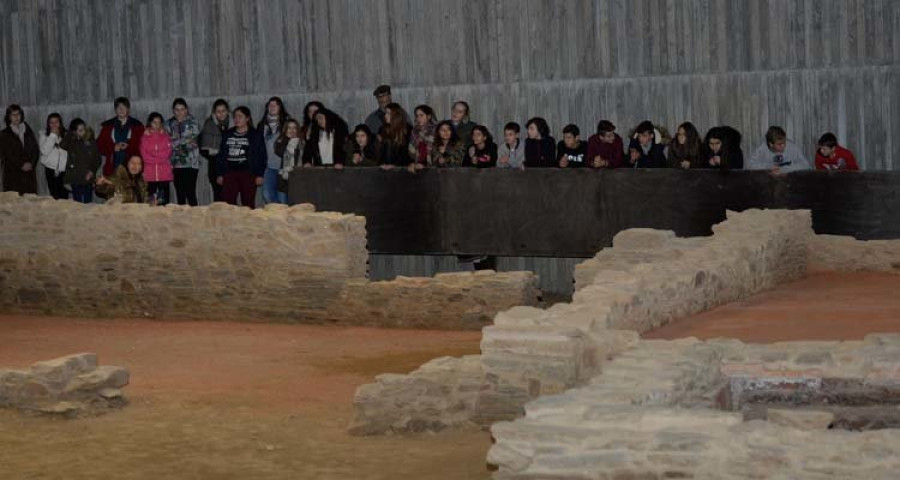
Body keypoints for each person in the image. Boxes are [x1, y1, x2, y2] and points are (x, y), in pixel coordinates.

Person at [216, 106, 266, 208]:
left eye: (240, 116)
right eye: (235, 117)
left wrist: (260, 174)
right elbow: (221, 155)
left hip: (248, 173)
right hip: (229, 173)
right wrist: (220, 174)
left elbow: (262, 156)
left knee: (248, 205)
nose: (237, 119)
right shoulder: (227, 134)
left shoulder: (256, 135)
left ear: (247, 118)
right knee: (228, 204)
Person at [165, 98, 201, 206]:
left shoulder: (193, 123)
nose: (180, 112)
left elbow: (192, 141)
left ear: (186, 110)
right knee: (180, 195)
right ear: (173, 111)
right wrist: (183, 141)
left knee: (191, 193)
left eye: (182, 109)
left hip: (191, 163)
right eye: (177, 110)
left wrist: (175, 142)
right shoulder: (168, 124)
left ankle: (195, 219)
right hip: (176, 164)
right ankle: (181, 220)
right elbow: (167, 142)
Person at [97, 97, 144, 177]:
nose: (121, 110)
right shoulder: (107, 126)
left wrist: (129, 147)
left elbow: (143, 146)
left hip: (132, 166)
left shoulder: (138, 126)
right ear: (115, 110)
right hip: (112, 166)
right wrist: (113, 147)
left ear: (128, 109)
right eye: (119, 107)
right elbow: (99, 146)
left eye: (124, 107)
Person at [0, 105, 40, 194]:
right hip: (13, 176)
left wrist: (31, 163)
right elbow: (7, 155)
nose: (16, 117)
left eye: (18, 114)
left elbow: (35, 149)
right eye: (13, 115)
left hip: (29, 175)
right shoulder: (4, 134)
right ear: (8, 117)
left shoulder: (28, 130)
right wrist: (21, 165)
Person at [257, 97, 290, 205]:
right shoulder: (261, 125)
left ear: (280, 107)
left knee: (283, 197)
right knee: (267, 194)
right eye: (270, 105)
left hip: (283, 166)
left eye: (275, 105)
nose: (272, 107)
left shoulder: (287, 123)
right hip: (268, 166)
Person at [61, 119, 101, 204]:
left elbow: (97, 159)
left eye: (84, 129)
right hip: (75, 178)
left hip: (88, 178)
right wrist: (69, 134)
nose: (83, 132)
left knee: (88, 203)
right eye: (80, 130)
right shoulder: (71, 142)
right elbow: (62, 145)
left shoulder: (91, 142)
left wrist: (92, 171)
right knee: (77, 204)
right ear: (75, 132)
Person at [199, 99, 230, 202]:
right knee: (218, 197)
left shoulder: (233, 124)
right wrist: (218, 155)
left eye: (223, 111)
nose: (221, 114)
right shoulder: (208, 125)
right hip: (215, 166)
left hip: (232, 166)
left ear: (227, 111)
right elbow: (203, 149)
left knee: (230, 197)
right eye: (218, 111)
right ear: (214, 112)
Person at [140, 112, 173, 206]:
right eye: (154, 122)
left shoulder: (166, 137)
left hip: (164, 174)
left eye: (159, 122)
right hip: (150, 175)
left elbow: (167, 154)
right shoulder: (144, 138)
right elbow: (145, 156)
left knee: (164, 202)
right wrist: (158, 157)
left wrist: (154, 156)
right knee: (151, 203)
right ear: (150, 123)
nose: (157, 125)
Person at [39, 113, 69, 199]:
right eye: (51, 122)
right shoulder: (44, 135)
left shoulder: (66, 135)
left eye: (56, 122)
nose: (54, 124)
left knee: (64, 195)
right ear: (48, 124)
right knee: (54, 195)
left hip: (64, 170)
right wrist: (52, 136)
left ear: (60, 123)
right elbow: (44, 151)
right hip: (51, 170)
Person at [273, 119, 303, 197]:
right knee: (282, 201)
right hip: (284, 175)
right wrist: (287, 140)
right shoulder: (281, 141)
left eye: (294, 128)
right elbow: (279, 152)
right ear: (285, 129)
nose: (292, 130)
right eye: (289, 128)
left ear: (297, 129)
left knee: (296, 200)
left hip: (299, 175)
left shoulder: (302, 142)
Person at [379, 103, 413, 169]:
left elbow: (407, 154)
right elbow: (382, 153)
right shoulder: (383, 129)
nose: (385, 116)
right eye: (385, 113)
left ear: (395, 115)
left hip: (403, 169)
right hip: (386, 169)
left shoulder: (408, 130)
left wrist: (395, 165)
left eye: (388, 113)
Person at [408, 105, 436, 170]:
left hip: (432, 166)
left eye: (421, 115)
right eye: (417, 116)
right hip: (417, 164)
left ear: (428, 116)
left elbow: (435, 151)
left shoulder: (435, 130)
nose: (418, 118)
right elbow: (411, 150)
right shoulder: (414, 130)